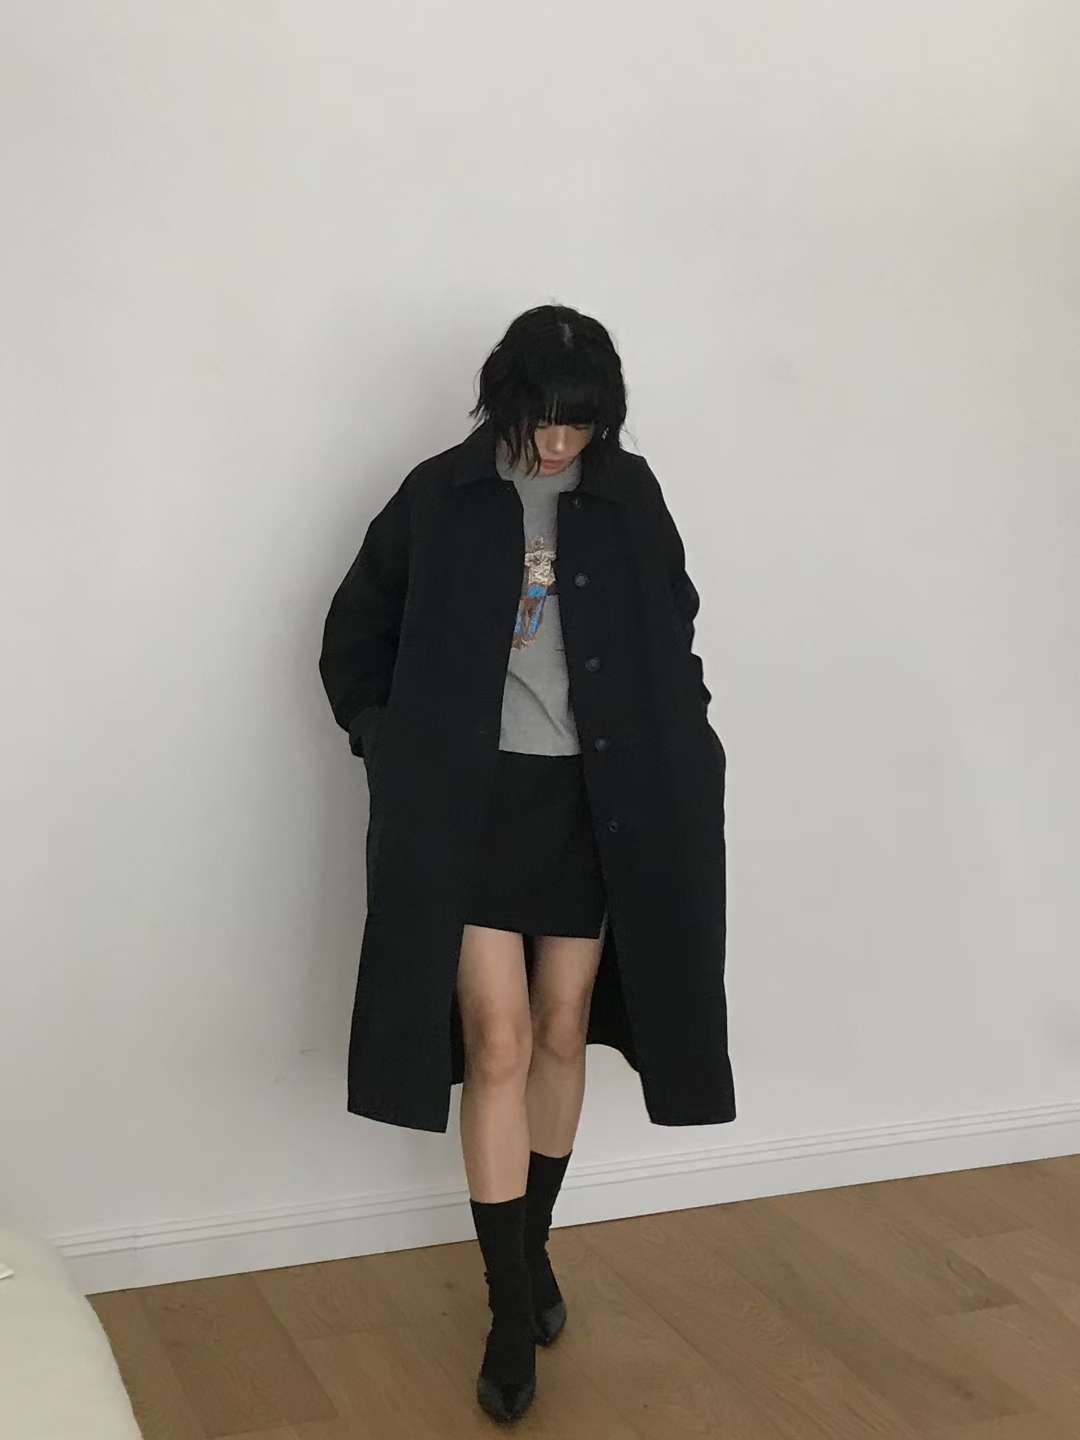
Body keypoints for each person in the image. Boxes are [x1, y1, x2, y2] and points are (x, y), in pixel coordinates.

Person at [318, 303, 732, 1423]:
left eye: (580, 422)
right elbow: (353, 632)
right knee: (495, 1038)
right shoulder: (440, 495)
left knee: (560, 1026)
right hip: (470, 806)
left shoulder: (628, 495)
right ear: (504, 400)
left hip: (596, 808)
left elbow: (674, 629)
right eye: (543, 418)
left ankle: (531, 1247)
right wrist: (389, 742)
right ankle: (510, 1307)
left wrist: (686, 734)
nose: (558, 442)